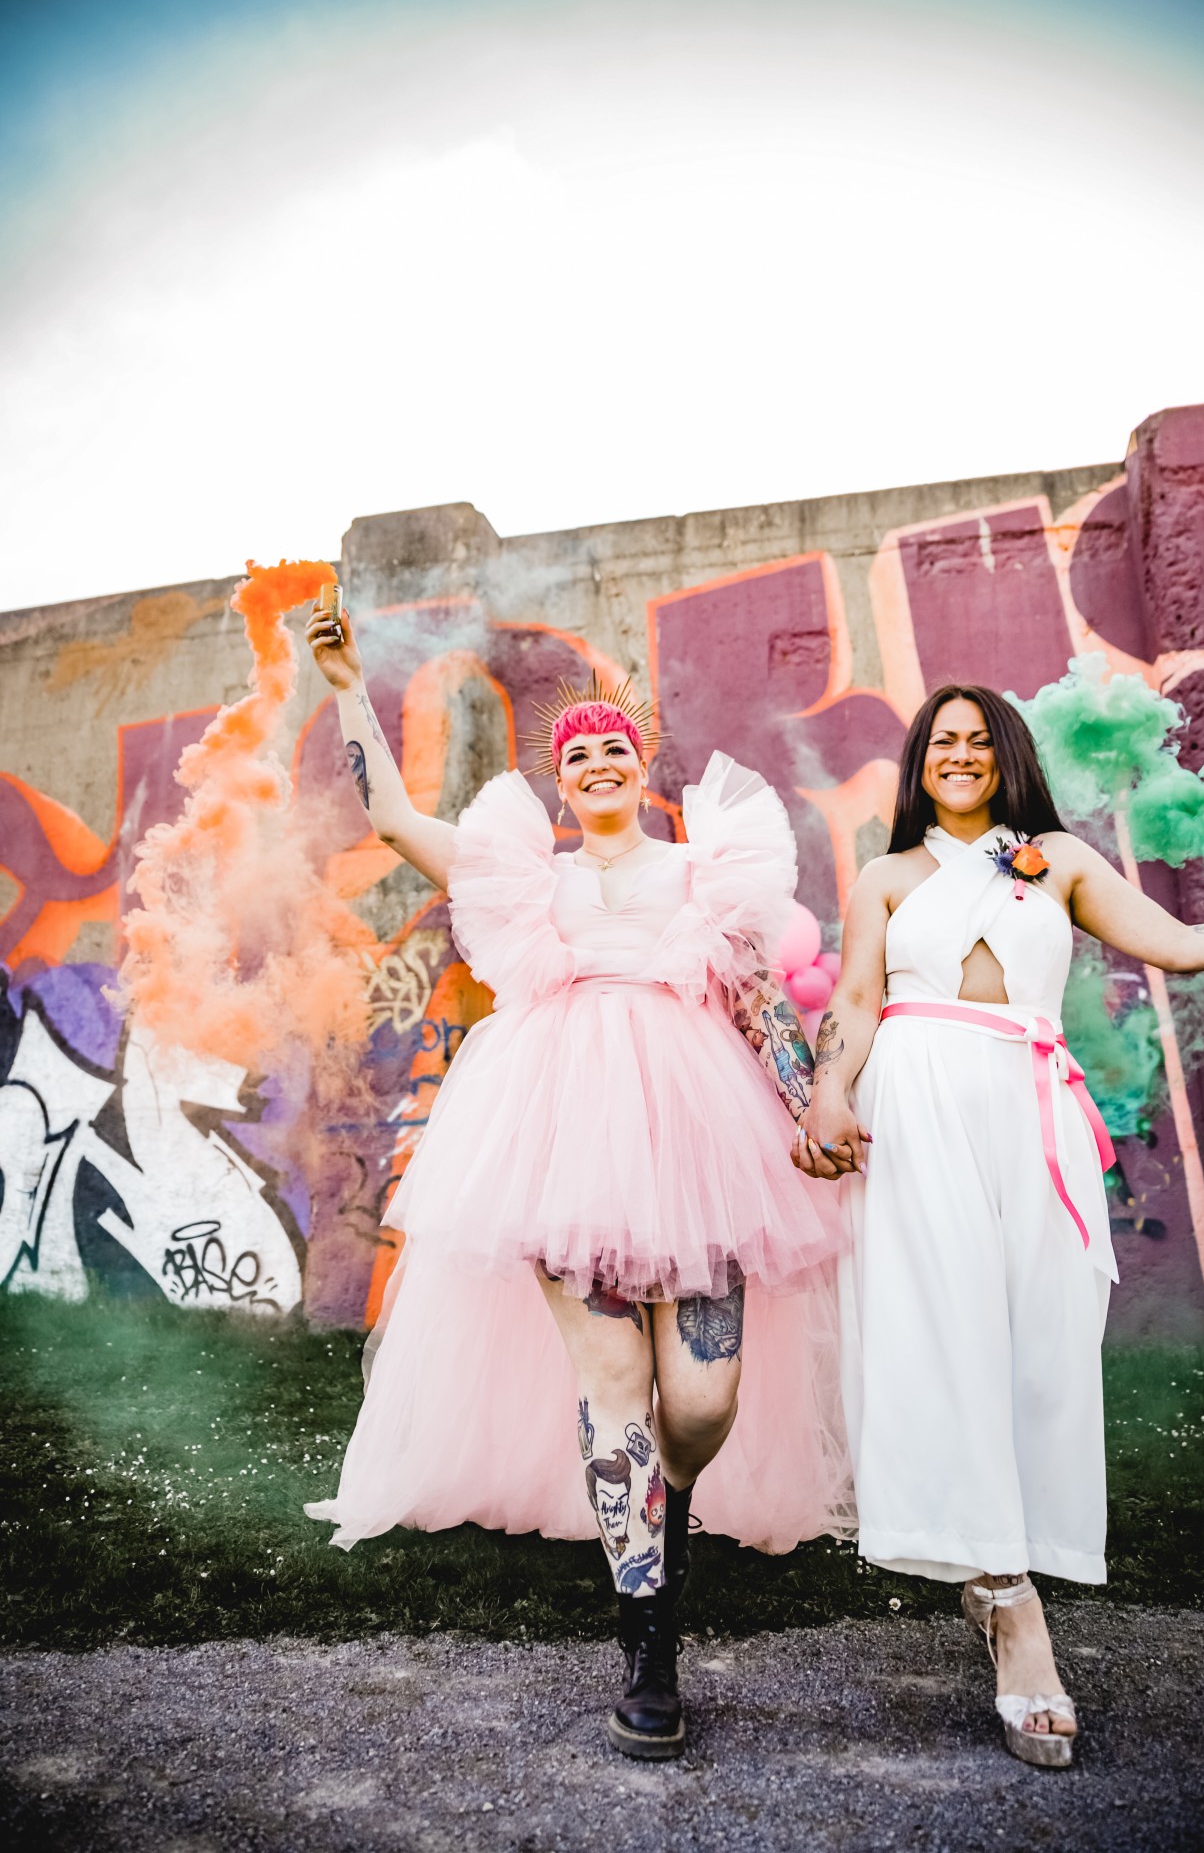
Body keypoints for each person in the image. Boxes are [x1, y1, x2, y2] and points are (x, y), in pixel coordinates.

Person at [302, 595, 850, 1760]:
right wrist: (349, 685)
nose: (598, 764)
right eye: (577, 754)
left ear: (638, 767)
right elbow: (393, 814)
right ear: (560, 783)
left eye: (614, 748)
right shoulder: (520, 875)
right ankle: (648, 1643)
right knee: (614, 1393)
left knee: (700, 1401)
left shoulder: (710, 873)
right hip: (555, 1144)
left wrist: (813, 1113)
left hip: (704, 1151)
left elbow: (760, 1007)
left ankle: (670, 1503)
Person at [794, 682, 1204, 1767]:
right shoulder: (890, 878)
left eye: (975, 739)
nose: (957, 753)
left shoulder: (1063, 861)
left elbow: (1179, 945)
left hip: (1034, 1107)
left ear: (1005, 756)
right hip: (920, 1108)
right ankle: (1012, 1608)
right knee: (946, 1340)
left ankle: (1004, 1558)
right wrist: (827, 1093)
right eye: (938, 741)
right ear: (921, 763)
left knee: (1042, 1351)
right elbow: (855, 1002)